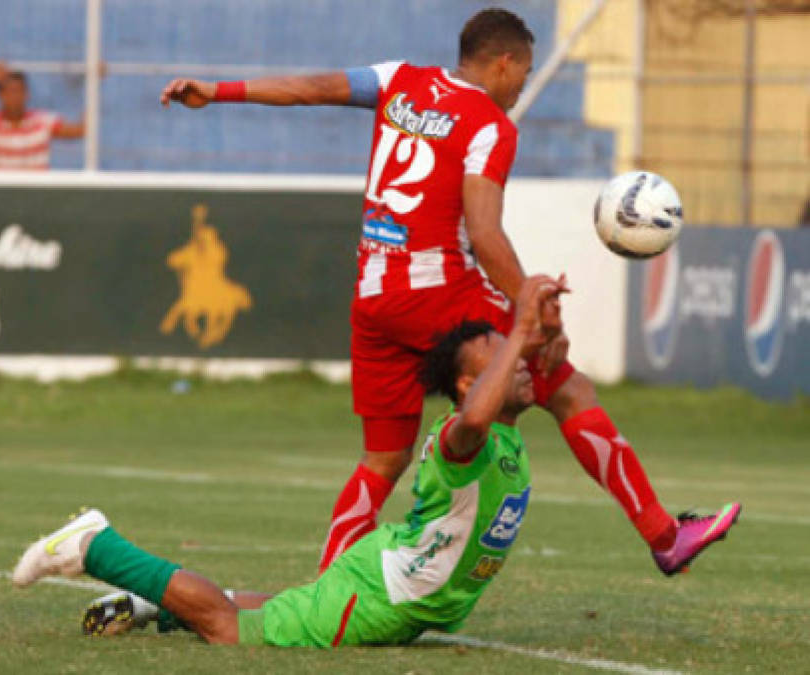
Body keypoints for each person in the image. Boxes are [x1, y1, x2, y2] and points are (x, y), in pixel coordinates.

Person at [159, 8, 740, 576]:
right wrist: (531, 313)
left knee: (383, 458)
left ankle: (328, 584)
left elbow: (313, 87)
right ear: (506, 64)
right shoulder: (490, 125)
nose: (522, 86)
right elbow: (485, 236)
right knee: (568, 389)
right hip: (436, 290)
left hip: (372, 298)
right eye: (527, 72)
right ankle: (665, 535)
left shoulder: (397, 81)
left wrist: (219, 90)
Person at [14, 277, 591, 646]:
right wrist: (516, 334)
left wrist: (543, 335)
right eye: (501, 359)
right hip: (385, 595)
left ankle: (156, 608)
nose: (519, 365)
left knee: (295, 608)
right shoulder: (461, 441)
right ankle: (96, 546)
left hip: (394, 576)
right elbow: (472, 420)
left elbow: (534, 373)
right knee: (230, 631)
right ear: (468, 385)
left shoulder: (509, 430)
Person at [0, 61, 84, 170]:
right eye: (10, 92)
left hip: (35, 193)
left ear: (27, 94)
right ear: (0, 95)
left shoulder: (43, 122)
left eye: (19, 91)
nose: (15, 97)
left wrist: (94, 84)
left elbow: (82, 130)